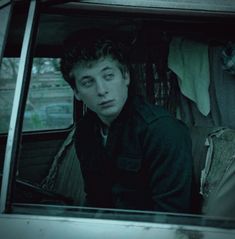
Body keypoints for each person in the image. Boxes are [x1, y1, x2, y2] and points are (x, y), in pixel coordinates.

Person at [60, 29, 194, 213]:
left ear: (126, 77)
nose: (101, 90)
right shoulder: (85, 131)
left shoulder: (162, 130)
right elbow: (95, 199)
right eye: (87, 82)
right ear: (76, 92)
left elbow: (170, 216)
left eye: (108, 76)